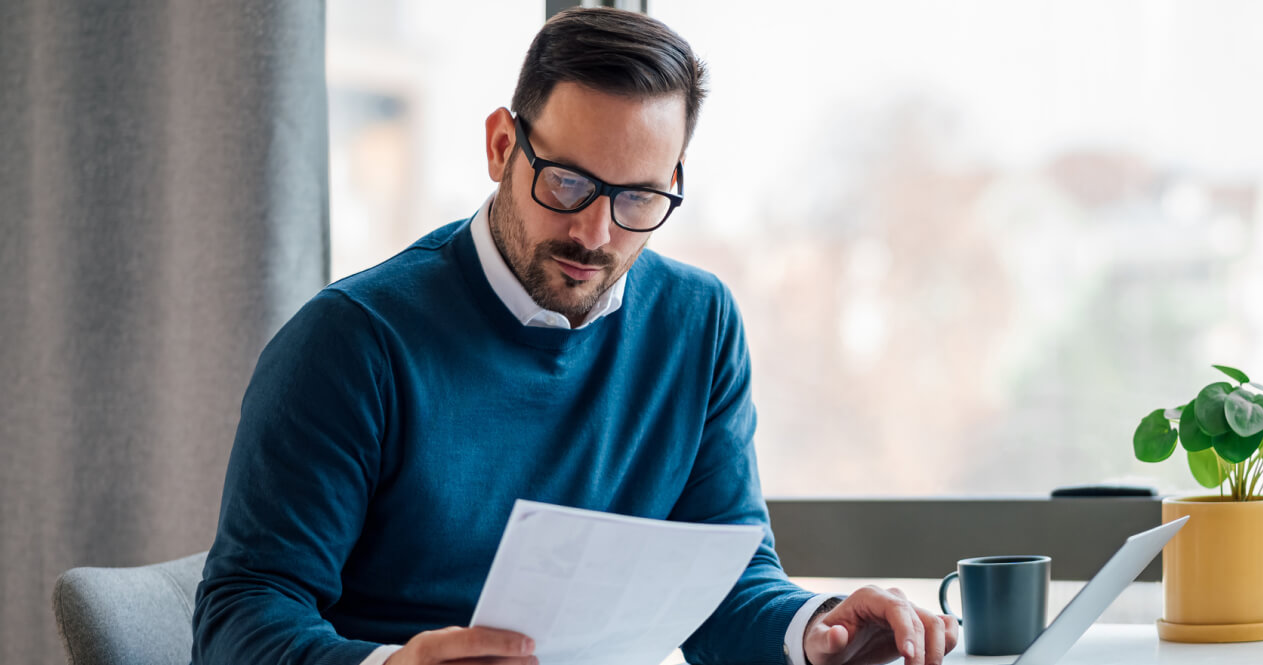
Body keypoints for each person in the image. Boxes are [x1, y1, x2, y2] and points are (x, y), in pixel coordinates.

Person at [191, 8, 958, 665]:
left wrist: (814, 629)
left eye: (638, 198)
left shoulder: (699, 323)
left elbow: (727, 581)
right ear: (500, 147)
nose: (594, 232)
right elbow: (239, 618)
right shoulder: (353, 342)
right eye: (567, 182)